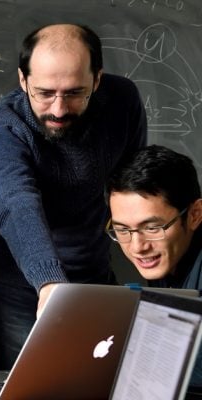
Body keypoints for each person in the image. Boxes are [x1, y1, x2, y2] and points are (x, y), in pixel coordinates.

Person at [0, 23, 147, 369]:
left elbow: (131, 184)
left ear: (97, 80)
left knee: (97, 375)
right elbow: (18, 201)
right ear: (23, 80)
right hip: (24, 280)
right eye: (44, 93)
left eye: (74, 93)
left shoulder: (122, 100)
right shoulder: (5, 127)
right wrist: (49, 283)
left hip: (94, 265)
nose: (58, 110)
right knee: (29, 381)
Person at [106, 145, 202, 384]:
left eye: (152, 228)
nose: (138, 246)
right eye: (123, 230)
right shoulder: (169, 257)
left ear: (195, 214)